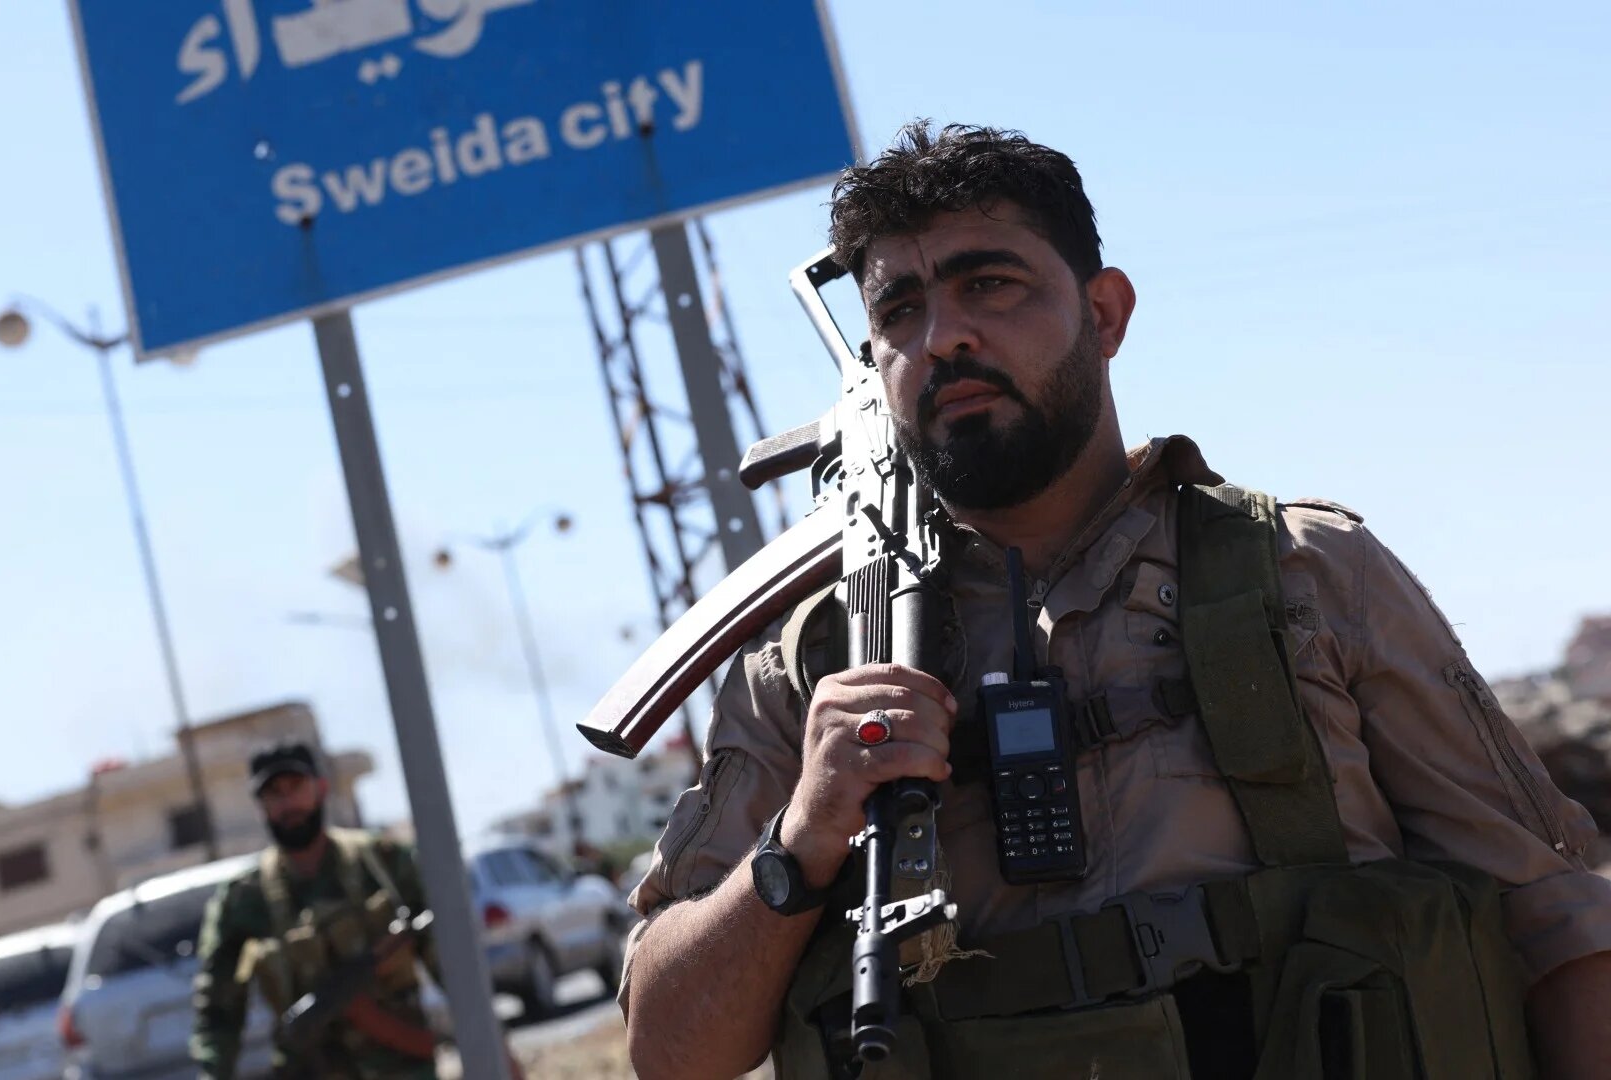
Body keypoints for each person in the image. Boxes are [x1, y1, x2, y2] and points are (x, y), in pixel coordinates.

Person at [619, 122, 1611, 1079]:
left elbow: (1559, 923)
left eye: (989, 284)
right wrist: (801, 840)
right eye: (899, 311)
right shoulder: (816, 666)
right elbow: (669, 1051)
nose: (945, 335)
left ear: (1104, 314)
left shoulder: (1308, 575)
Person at [191, 741, 440, 1080]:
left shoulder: (382, 862)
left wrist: (492, 1042)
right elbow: (218, 1010)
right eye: (274, 794)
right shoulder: (243, 899)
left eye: (296, 787)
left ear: (320, 788)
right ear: (261, 806)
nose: (288, 802)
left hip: (401, 1066)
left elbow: (448, 955)